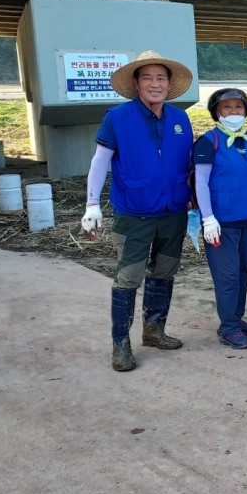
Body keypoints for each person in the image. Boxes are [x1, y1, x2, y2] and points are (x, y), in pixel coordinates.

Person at [82, 50, 194, 372]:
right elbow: (99, 162)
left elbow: (187, 164)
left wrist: (193, 199)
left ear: (169, 84)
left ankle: (154, 330)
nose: (155, 84)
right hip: (134, 214)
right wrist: (92, 204)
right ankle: (120, 344)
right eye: (148, 77)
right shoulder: (117, 117)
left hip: (173, 212)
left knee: (164, 272)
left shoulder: (180, 118)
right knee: (128, 277)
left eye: (161, 78)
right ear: (137, 82)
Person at [194, 88, 247, 349]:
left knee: (242, 272)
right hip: (222, 222)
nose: (234, 112)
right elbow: (200, 181)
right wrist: (207, 218)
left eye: (238, 107)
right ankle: (228, 327)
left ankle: (236, 318)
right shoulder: (209, 141)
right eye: (227, 107)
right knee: (227, 276)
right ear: (217, 112)